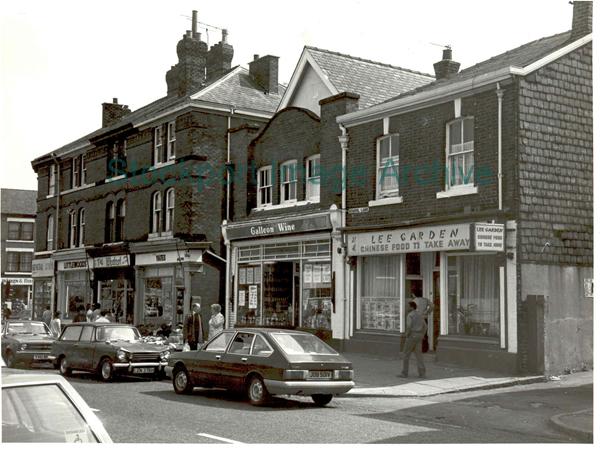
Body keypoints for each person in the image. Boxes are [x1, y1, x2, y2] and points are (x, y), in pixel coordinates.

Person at [399, 301, 426, 378]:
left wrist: (406, 335)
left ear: (412, 307)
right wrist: (422, 335)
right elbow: (425, 326)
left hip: (412, 335)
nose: (407, 308)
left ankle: (404, 373)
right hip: (419, 336)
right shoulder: (420, 315)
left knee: (406, 354)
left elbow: (409, 326)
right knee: (419, 355)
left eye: (408, 306)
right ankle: (422, 373)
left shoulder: (410, 315)